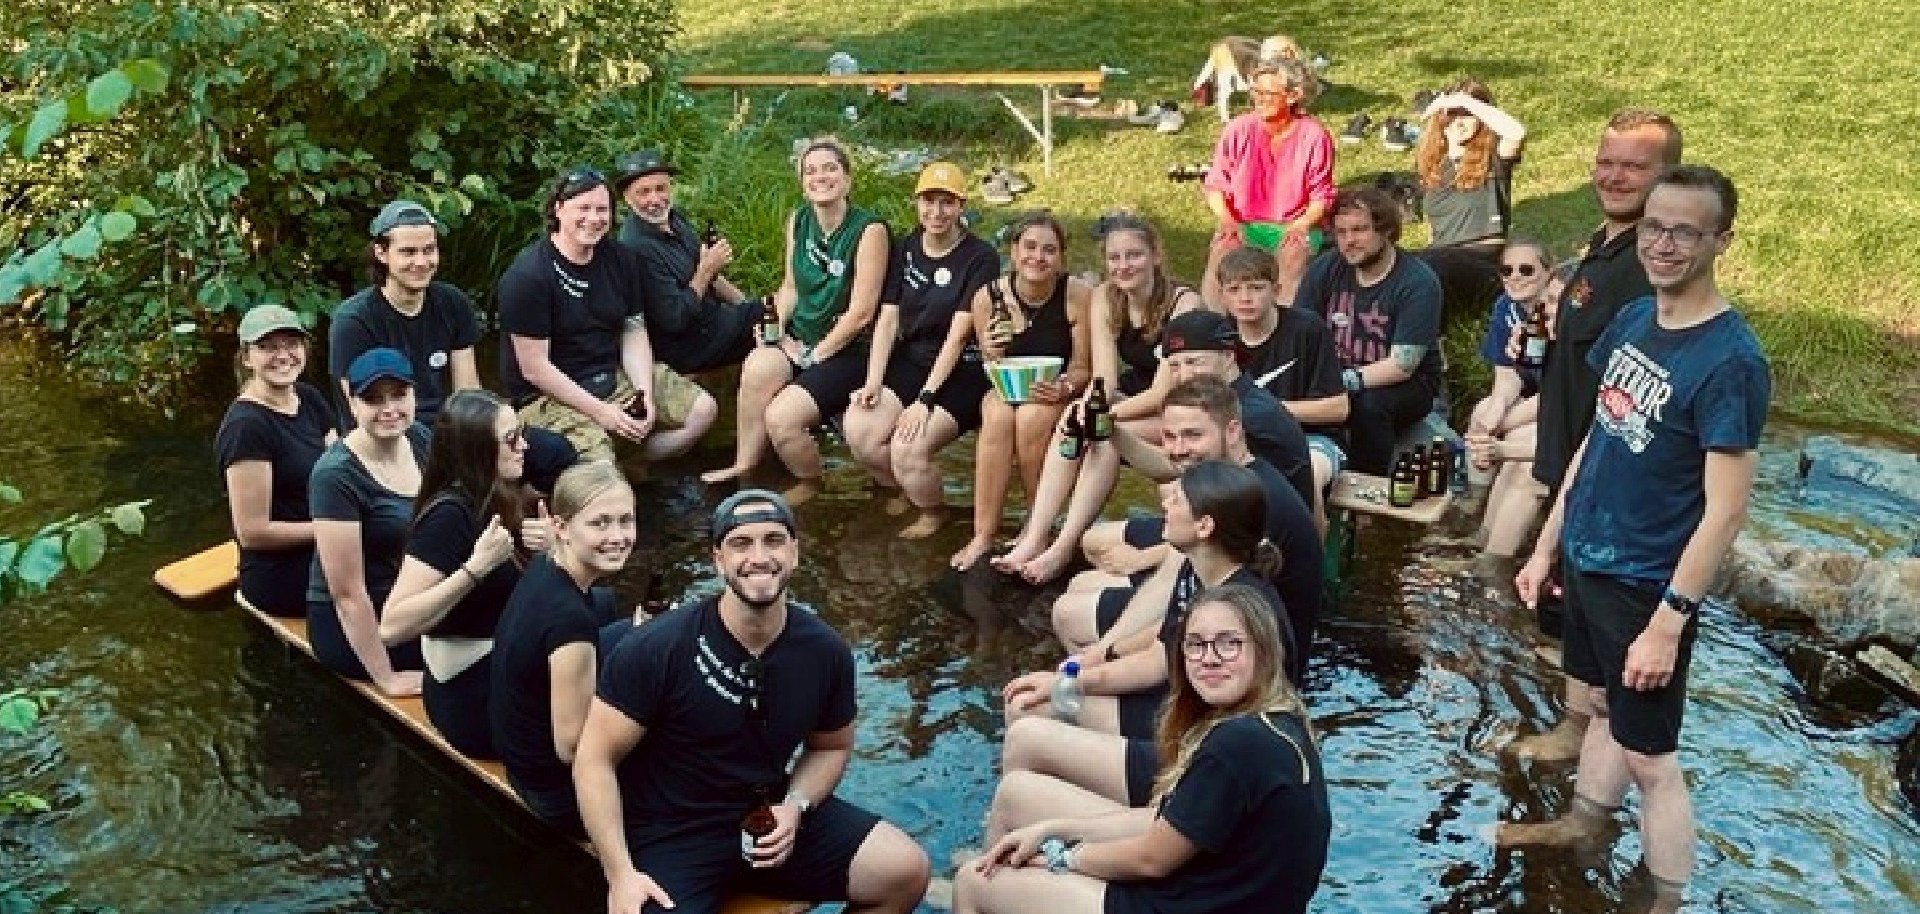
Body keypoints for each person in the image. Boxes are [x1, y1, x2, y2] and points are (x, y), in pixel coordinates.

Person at [1502, 165, 1768, 914]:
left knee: (1653, 759)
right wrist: (1548, 543)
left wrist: (1667, 621)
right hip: (1589, 556)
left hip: (1648, 583)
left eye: (1686, 230)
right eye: (1655, 225)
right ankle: (1582, 828)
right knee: (1595, 706)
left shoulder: (1732, 362)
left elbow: (1725, 512)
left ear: (1721, 240)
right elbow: (1597, 438)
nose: (1664, 243)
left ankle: (1666, 900)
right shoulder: (1634, 320)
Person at [571, 490, 931, 914]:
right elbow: (593, 759)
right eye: (740, 543)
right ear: (717, 559)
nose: (759, 557)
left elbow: (830, 746)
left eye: (773, 540)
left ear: (795, 552)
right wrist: (620, 874)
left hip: (765, 820)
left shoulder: (824, 651)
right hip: (671, 832)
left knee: (904, 871)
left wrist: (795, 806)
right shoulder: (656, 648)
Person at [954, 583, 1329, 914]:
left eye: (1230, 643)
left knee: (973, 884)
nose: (1210, 657)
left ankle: (994, 892)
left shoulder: (1238, 744)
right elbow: (1167, 822)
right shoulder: (1281, 719)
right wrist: (1053, 829)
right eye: (1196, 645)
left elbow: (1151, 859)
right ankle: (1008, 882)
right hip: (1215, 892)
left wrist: (1060, 857)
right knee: (1018, 796)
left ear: (1264, 651)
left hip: (1191, 902)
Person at [1509, 108, 1681, 763]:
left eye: (1634, 166)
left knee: (1586, 621)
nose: (1614, 176)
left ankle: (1587, 747)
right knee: (1566, 615)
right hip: (1569, 466)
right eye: (1607, 161)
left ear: (1665, 177)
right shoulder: (1605, 250)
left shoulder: (1645, 266)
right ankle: (1573, 733)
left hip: (1600, 479)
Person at [985, 215, 1202, 582]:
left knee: (1102, 434)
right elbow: (1103, 376)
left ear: (1156, 256)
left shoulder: (1184, 304)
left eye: (1133, 255)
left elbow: (1164, 392)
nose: (1123, 266)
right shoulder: (1105, 295)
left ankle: (1062, 547)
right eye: (1114, 257)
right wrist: (1091, 407)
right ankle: (1035, 536)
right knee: (1077, 415)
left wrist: (1106, 416)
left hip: (1182, 407)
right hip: (1136, 396)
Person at [701, 139, 891, 505]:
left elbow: (862, 313)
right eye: (811, 171)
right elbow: (789, 287)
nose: (821, 177)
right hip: (802, 338)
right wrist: (776, 327)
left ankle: (811, 483)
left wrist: (811, 355)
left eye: (830, 168)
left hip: (849, 349)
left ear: (848, 179)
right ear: (802, 181)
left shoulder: (869, 231)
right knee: (757, 365)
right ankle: (745, 465)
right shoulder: (799, 220)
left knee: (782, 419)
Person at [499, 166, 712, 465]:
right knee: (597, 457)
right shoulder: (527, 276)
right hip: (549, 397)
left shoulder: (620, 258)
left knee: (703, 411)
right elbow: (535, 368)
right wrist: (603, 413)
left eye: (602, 209)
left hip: (612, 373)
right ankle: (608, 479)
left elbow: (634, 330)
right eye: (583, 208)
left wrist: (644, 393)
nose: (594, 218)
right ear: (559, 209)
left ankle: (636, 466)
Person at [378, 390, 551, 757]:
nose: (523, 446)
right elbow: (392, 627)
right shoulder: (450, 517)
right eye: (510, 439)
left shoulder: (497, 496)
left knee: (602, 611)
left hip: (496, 667)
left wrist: (547, 550)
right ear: (478, 451)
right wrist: (475, 568)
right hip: (472, 700)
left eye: (522, 433)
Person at [841, 162, 998, 539]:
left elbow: (960, 336)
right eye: (929, 201)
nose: (937, 212)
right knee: (859, 429)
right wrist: (873, 382)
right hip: (912, 359)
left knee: (907, 447)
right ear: (917, 203)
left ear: (961, 207)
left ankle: (933, 511)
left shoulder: (980, 258)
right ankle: (904, 488)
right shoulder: (908, 244)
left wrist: (925, 400)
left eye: (947, 203)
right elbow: (889, 317)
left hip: (963, 368)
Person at [490, 460, 636, 835]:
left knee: (637, 634)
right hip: (557, 792)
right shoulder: (570, 621)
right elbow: (571, 748)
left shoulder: (546, 567)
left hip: (522, 756)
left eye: (625, 520)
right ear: (560, 527)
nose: (618, 536)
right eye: (600, 523)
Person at [949, 212, 1093, 571]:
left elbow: (1084, 367)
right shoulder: (989, 297)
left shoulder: (1076, 296)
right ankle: (984, 533)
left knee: (1032, 416)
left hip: (1056, 390)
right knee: (996, 414)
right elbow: (991, 365)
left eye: (1049, 250)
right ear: (1013, 252)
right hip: (1007, 387)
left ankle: (1036, 525)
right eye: (1029, 247)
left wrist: (1064, 387)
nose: (1038, 257)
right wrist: (993, 348)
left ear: (1060, 257)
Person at [1295, 187, 1444, 476]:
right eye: (1341, 232)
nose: (1349, 241)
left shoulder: (1417, 282)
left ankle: (1364, 491)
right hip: (1336, 374)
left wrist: (1340, 383)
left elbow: (1402, 365)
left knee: (1368, 405)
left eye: (1360, 230)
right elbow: (1302, 331)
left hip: (1405, 383)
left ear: (1385, 230)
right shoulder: (1326, 268)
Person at [307, 348, 429, 693]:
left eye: (399, 395)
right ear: (353, 404)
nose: (390, 410)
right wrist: (386, 678)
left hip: (407, 599)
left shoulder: (419, 438)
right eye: (374, 400)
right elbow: (347, 594)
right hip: (360, 627)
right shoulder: (335, 477)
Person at [1216, 245, 1348, 532]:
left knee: (1306, 474)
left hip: (1313, 439)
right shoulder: (1219, 338)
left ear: (1276, 290)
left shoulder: (1307, 330)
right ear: (1222, 295)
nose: (1245, 298)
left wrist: (1268, 412)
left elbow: (1337, 408)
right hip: (1242, 437)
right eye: (1235, 289)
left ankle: (1311, 554)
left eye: (1256, 288)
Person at [217, 305, 335, 618]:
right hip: (283, 573)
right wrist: (334, 528)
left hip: (330, 546)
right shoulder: (246, 427)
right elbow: (253, 532)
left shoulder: (309, 399)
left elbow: (343, 464)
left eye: (292, 345)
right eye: (268, 347)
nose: (283, 355)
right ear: (247, 357)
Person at [328, 199, 480, 429]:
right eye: (408, 252)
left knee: (546, 448)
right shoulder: (354, 320)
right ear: (381, 253)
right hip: (388, 434)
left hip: (448, 432)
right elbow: (357, 411)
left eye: (428, 251)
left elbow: (469, 397)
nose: (420, 262)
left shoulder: (453, 303)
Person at [1200, 57, 1335, 306]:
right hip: (1243, 222)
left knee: (1293, 253)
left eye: (1268, 93)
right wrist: (1227, 219)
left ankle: (1283, 326)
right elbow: (1215, 185)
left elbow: (1321, 196)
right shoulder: (1238, 129)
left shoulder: (1314, 135)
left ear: (1293, 95)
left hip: (1292, 223)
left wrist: (1302, 223)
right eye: (1256, 92)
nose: (1259, 99)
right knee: (1221, 250)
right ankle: (1211, 325)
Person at [613, 149, 759, 376]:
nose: (655, 199)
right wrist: (706, 269)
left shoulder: (674, 218)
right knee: (782, 319)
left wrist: (748, 304)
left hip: (715, 322)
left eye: (661, 188)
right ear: (627, 198)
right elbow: (675, 319)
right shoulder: (637, 247)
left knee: (775, 312)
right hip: (689, 348)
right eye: (643, 192)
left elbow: (713, 276)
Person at [1462, 241, 1555, 575]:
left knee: (1520, 461)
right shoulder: (1507, 308)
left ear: (1548, 273)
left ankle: (1492, 561)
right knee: (1483, 413)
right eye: (1507, 270)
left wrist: (1507, 423)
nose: (1515, 277)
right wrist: (1498, 408)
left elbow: (1561, 395)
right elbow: (1506, 373)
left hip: (1558, 411)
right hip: (1532, 397)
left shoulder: (1559, 317)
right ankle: (1476, 516)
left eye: (1527, 270)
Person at [1414, 78, 1527, 252]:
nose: (1458, 122)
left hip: (1483, 254)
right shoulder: (1433, 163)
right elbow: (1435, 228)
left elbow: (1517, 133)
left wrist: (1465, 101)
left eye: (1467, 114)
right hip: (1441, 256)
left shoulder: (1493, 156)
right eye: (1452, 113)